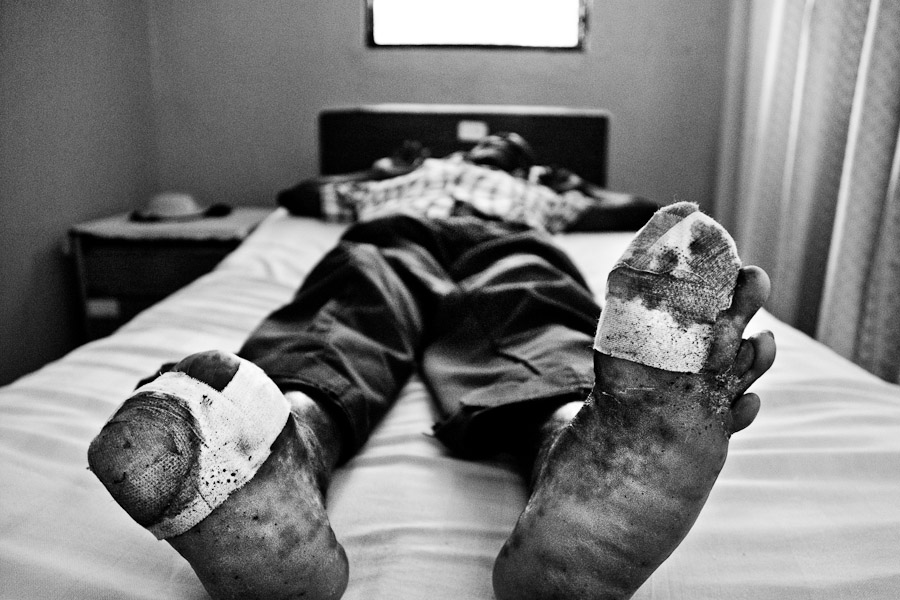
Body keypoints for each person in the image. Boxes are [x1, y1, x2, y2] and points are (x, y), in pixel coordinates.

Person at [87, 134, 776, 600]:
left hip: (508, 239)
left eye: (498, 148)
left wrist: (562, 184)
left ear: (516, 158)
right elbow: (302, 195)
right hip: (395, 230)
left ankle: (597, 448)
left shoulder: (541, 189)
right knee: (357, 294)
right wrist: (387, 175)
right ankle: (279, 446)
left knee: (526, 298)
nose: (481, 149)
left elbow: (619, 207)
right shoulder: (393, 181)